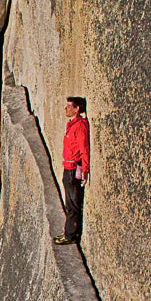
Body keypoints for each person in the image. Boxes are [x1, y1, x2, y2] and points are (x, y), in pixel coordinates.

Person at [54, 96, 89, 245]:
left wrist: (85, 170)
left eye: (69, 106)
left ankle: (70, 235)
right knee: (69, 204)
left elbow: (84, 149)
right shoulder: (72, 125)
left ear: (77, 109)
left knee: (73, 205)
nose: (66, 109)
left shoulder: (80, 126)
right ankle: (69, 233)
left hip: (73, 170)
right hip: (67, 168)